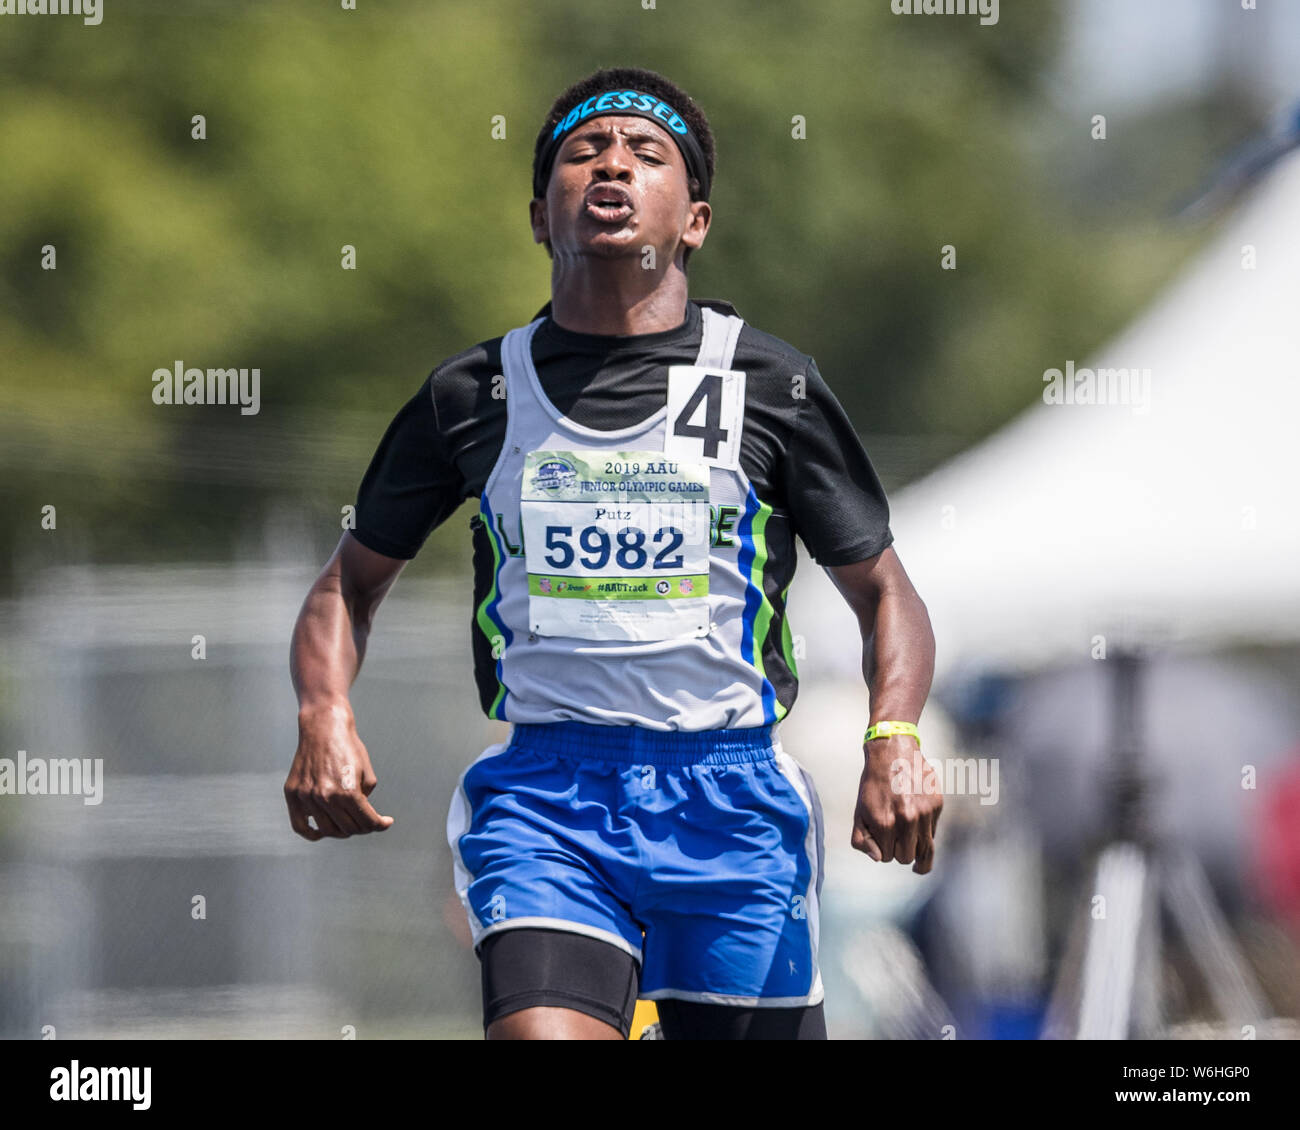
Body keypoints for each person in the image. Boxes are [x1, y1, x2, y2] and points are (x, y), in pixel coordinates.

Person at [285, 65, 940, 1041]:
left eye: (647, 152)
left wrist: (893, 738)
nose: (612, 165)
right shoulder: (475, 394)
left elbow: (885, 592)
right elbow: (351, 581)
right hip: (549, 801)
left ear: (696, 220)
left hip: (731, 801)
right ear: (540, 218)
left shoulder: (770, 385)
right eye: (583, 152)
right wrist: (324, 711)